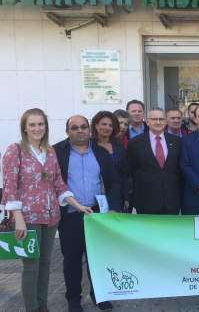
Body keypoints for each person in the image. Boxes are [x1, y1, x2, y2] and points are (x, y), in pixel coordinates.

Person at [1, 109, 93, 312]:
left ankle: (42, 304)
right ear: (25, 127)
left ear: (46, 126)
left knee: (45, 262)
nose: (37, 128)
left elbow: (58, 184)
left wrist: (78, 206)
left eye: (40, 124)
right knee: (31, 266)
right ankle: (31, 308)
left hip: (51, 216)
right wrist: (19, 219)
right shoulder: (15, 150)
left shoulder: (50, 151)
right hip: (28, 216)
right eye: (32, 125)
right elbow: (9, 187)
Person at [54, 115, 121, 312]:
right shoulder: (57, 152)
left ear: (89, 130)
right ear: (67, 132)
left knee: (97, 258)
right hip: (70, 215)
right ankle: (73, 299)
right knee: (72, 259)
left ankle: (98, 295)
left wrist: (113, 209)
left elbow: (113, 182)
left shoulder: (100, 152)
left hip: (97, 214)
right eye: (74, 128)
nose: (80, 131)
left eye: (83, 127)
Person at [126, 108, 182, 215]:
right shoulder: (135, 143)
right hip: (146, 200)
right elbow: (131, 169)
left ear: (165, 121)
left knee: (170, 231)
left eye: (161, 119)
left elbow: (179, 169)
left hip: (171, 200)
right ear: (147, 122)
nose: (158, 122)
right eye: (154, 119)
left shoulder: (176, 141)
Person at [91, 111, 129, 213]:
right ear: (95, 125)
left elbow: (122, 172)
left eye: (110, 125)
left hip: (116, 194)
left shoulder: (118, 144)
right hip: (96, 195)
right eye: (104, 124)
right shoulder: (89, 145)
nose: (107, 128)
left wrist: (126, 196)